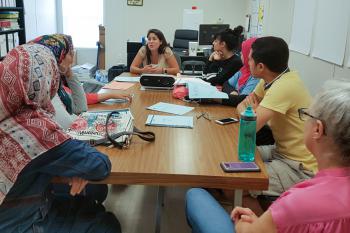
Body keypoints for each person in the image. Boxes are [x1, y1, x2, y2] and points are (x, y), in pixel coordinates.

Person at [186, 80, 350, 233]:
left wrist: (244, 224)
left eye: (306, 114)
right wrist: (264, 223)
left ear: (318, 130)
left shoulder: (298, 201)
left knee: (195, 195)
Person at [0, 43, 121, 232]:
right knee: (106, 224)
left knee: (90, 202)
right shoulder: (34, 128)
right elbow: (100, 165)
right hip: (21, 224)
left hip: (17, 206)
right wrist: (75, 166)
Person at [237, 36, 317, 196]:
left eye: (250, 59)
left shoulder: (284, 86)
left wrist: (249, 114)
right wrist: (248, 113)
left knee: (237, 183)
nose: (247, 62)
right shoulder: (271, 79)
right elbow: (241, 108)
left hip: (299, 167)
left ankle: (261, 220)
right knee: (235, 158)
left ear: (260, 66)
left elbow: (250, 126)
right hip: (281, 151)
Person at [31, 34, 132, 111]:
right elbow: (80, 107)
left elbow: (79, 100)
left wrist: (111, 94)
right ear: (57, 56)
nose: (72, 59)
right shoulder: (47, 89)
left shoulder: (55, 81)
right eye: (70, 54)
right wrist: (69, 73)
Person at [221, 37, 259, 107]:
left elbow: (242, 100)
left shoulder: (256, 76)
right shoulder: (243, 70)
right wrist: (233, 92)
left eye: (243, 51)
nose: (241, 53)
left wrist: (216, 98)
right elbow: (226, 84)